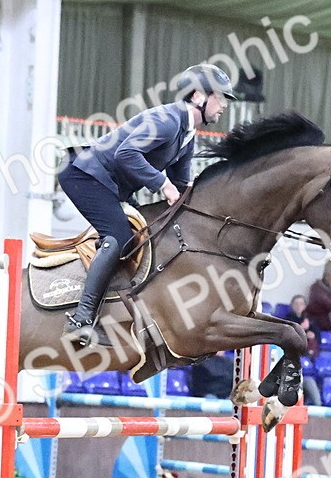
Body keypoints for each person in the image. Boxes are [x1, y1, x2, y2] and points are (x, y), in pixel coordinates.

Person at [58, 64, 239, 347]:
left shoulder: (187, 136)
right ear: (198, 97)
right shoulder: (167, 120)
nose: (225, 105)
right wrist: (161, 184)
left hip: (109, 184)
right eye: (221, 97)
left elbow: (181, 189)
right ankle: (80, 320)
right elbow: (126, 153)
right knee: (119, 236)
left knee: (142, 235)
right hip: (85, 175)